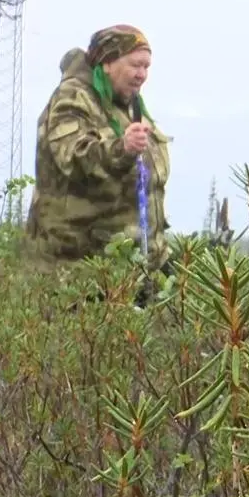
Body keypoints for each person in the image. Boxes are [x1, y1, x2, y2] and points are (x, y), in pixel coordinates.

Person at [24, 24, 173, 295]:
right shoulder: (73, 98)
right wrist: (122, 149)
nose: (142, 75)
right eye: (135, 65)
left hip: (131, 271)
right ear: (107, 63)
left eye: (147, 67)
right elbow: (74, 155)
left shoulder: (130, 107)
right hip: (79, 276)